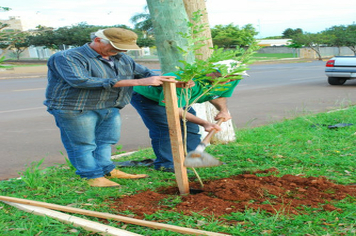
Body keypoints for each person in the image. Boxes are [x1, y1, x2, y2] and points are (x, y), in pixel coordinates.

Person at [44, 27, 176, 187]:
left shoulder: (123, 58)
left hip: (110, 106)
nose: (123, 50)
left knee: (105, 141)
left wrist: (176, 80)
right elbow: (81, 81)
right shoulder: (67, 57)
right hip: (76, 108)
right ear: (98, 40)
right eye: (117, 46)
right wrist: (138, 82)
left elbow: (147, 74)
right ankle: (91, 176)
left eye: (125, 48)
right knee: (82, 144)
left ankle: (107, 170)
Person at [130, 60, 243, 172]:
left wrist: (223, 110)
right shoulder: (187, 81)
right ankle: (166, 164)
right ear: (211, 71)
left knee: (190, 127)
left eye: (232, 78)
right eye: (223, 77)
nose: (227, 81)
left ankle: (192, 158)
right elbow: (175, 110)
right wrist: (205, 123)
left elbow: (217, 94)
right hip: (148, 97)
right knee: (165, 128)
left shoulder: (231, 79)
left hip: (180, 100)